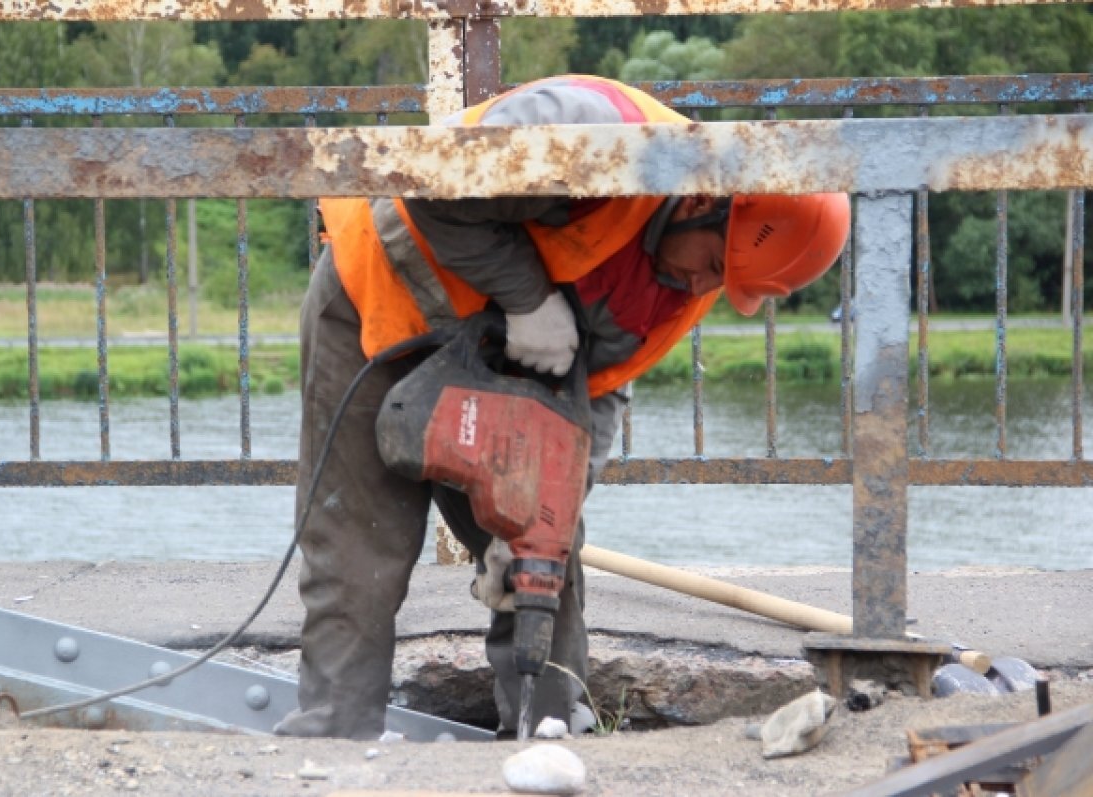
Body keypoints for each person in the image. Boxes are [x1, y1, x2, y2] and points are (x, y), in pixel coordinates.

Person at [275, 74, 851, 740]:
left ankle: (551, 733)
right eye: (714, 263)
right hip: (383, 301)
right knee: (359, 544)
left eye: (723, 282)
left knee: (545, 554)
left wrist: (541, 516)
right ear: (704, 202)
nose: (704, 285)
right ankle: (335, 735)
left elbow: (594, 401)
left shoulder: (678, 289)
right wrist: (526, 298)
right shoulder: (592, 133)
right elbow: (431, 181)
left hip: (504, 358)